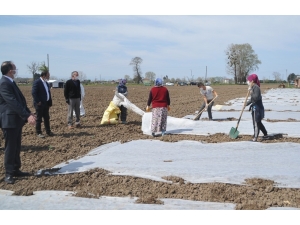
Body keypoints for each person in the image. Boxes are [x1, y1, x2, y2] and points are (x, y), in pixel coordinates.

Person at [0, 61, 36, 184]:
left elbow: (20, 101)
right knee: (10, 147)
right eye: (15, 69)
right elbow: (12, 102)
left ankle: (16, 169)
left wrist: (29, 112)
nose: (16, 71)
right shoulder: (4, 83)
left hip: (16, 120)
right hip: (9, 120)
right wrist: (26, 116)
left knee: (16, 145)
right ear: (10, 71)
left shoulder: (10, 82)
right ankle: (8, 174)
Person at [246, 74, 268, 142]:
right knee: (258, 122)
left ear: (252, 81)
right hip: (255, 107)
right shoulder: (253, 87)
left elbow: (255, 98)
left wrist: (251, 91)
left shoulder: (256, 88)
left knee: (256, 123)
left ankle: (255, 138)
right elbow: (252, 99)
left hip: (257, 108)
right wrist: (246, 104)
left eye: (249, 81)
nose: (248, 82)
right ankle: (265, 134)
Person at [32, 71, 53, 138]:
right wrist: (38, 101)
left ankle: (48, 131)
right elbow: (34, 93)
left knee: (46, 118)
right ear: (44, 75)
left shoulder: (46, 83)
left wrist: (49, 102)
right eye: (48, 75)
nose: (49, 76)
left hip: (46, 104)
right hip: (39, 104)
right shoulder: (37, 82)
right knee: (39, 118)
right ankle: (39, 132)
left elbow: (48, 93)